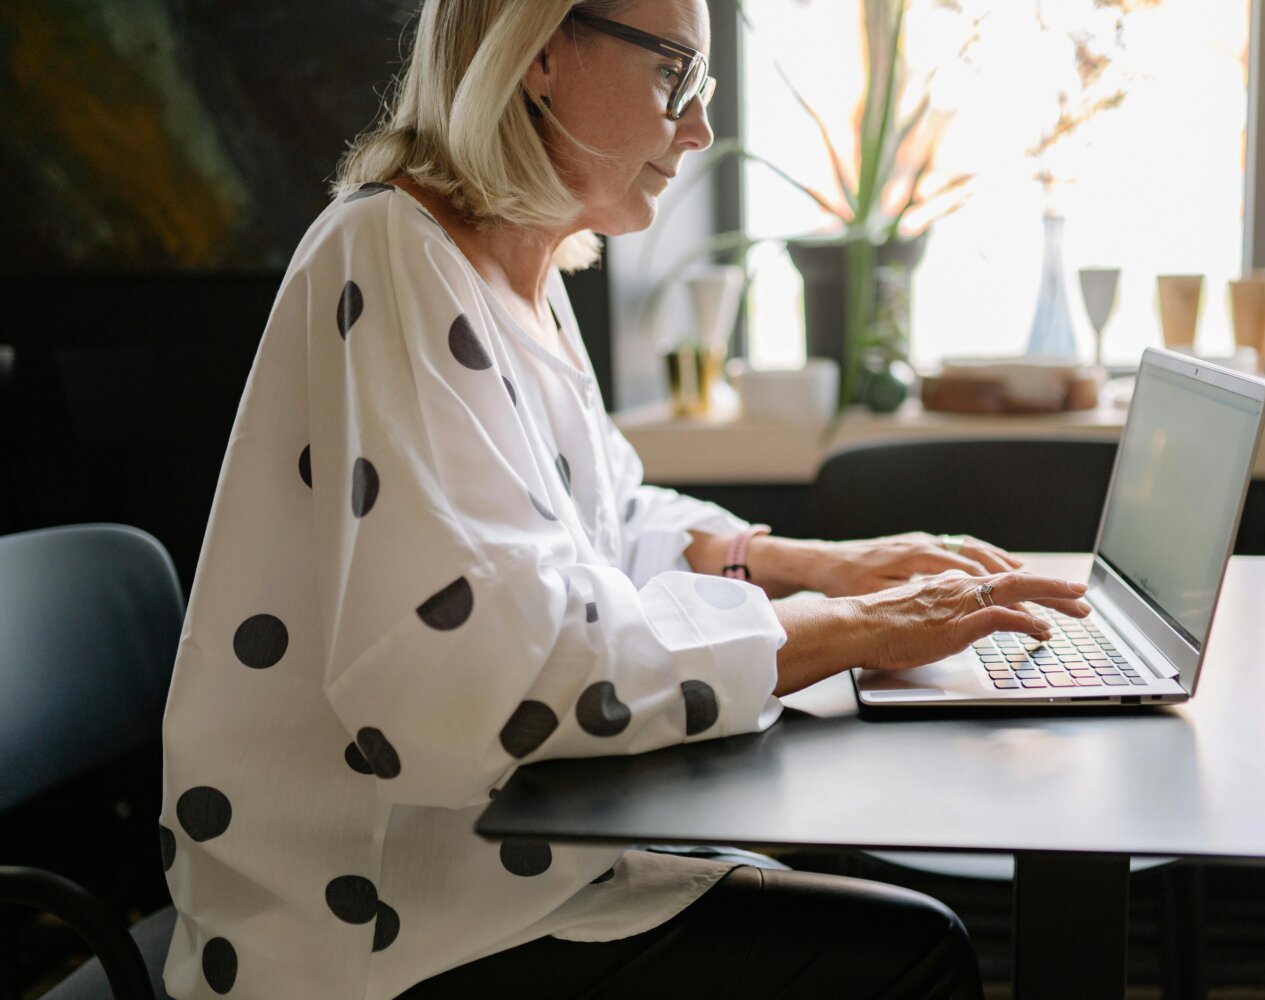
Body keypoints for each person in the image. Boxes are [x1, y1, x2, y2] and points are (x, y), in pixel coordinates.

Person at [158, 1, 1092, 997]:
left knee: (835, 910)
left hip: (499, 874)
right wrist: (845, 626)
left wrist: (824, 565)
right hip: (385, 928)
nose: (699, 127)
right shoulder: (393, 250)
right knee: (912, 954)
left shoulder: (512, 267)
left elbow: (601, 529)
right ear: (543, 52)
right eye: (674, 75)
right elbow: (482, 666)